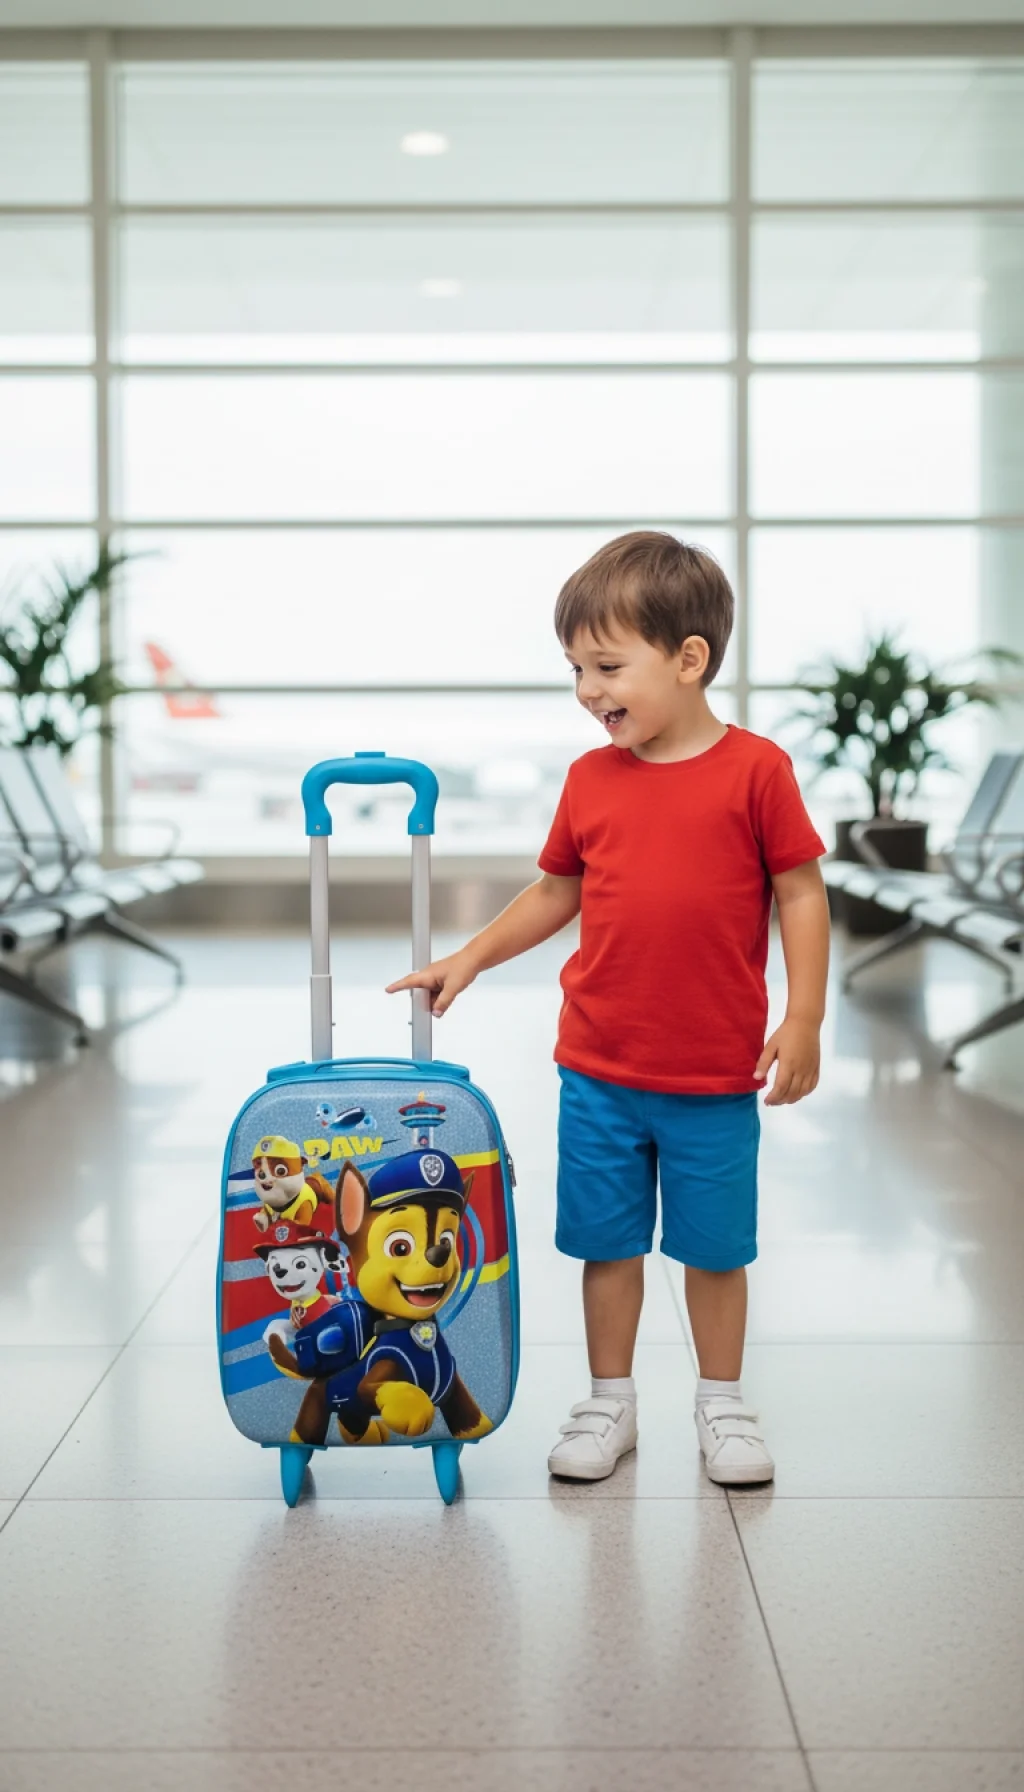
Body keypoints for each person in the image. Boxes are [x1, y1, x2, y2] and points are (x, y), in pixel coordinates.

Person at [386, 531, 829, 1486]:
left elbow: (801, 892)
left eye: (606, 666)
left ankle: (723, 1403)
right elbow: (557, 891)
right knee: (606, 1244)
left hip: (714, 1073)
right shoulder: (591, 780)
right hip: (599, 1068)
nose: (588, 690)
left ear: (689, 658)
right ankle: (609, 1401)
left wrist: (803, 1018)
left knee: (716, 1250)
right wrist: (469, 958)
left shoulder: (757, 772)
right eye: (575, 670)